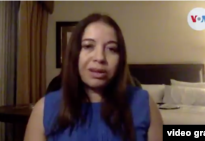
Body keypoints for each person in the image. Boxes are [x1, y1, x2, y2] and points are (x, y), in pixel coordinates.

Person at [24, 13, 163, 141]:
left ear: (120, 59)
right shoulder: (44, 109)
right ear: (75, 54)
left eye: (111, 49)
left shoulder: (145, 104)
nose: (100, 58)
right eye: (88, 46)